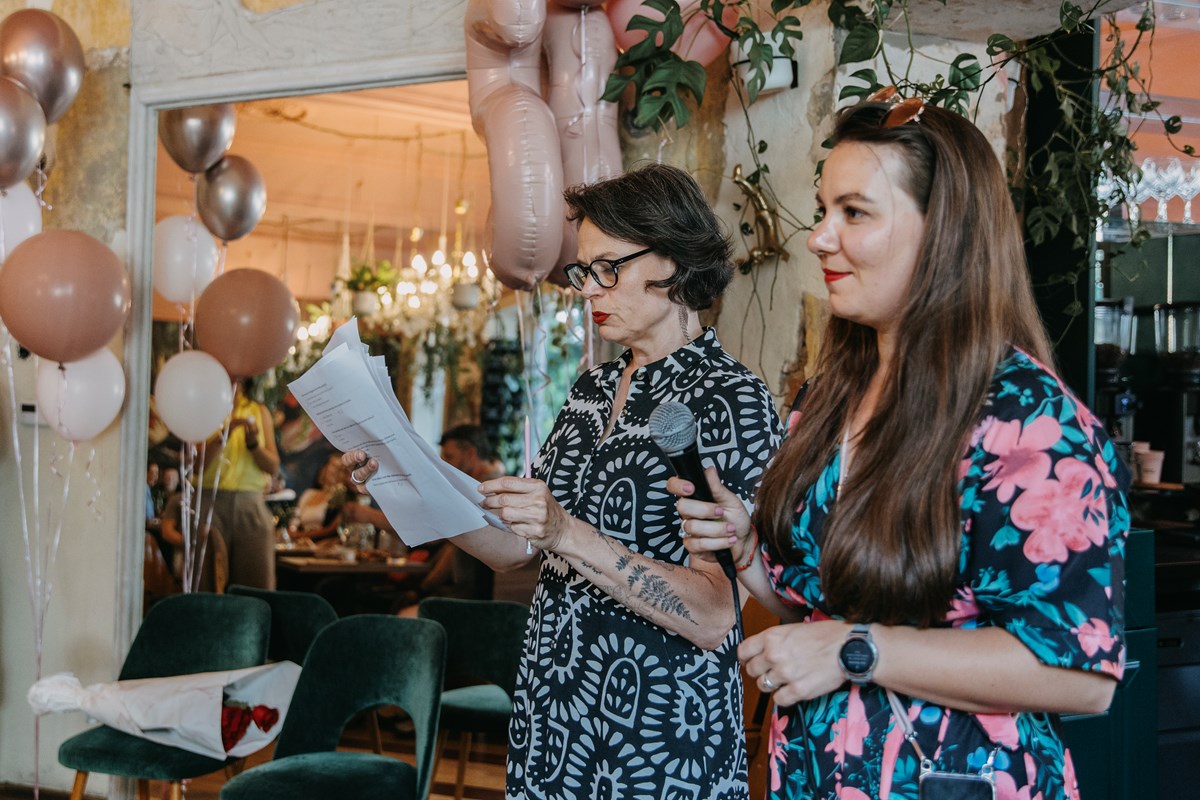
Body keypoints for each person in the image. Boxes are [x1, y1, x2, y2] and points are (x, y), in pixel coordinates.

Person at [670, 97, 1129, 799]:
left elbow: (1078, 675)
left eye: (854, 213)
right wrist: (749, 552)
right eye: (824, 210)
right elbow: (820, 614)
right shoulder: (827, 399)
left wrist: (857, 650)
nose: (820, 238)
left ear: (943, 232)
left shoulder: (1027, 421)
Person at [345, 163, 783, 799]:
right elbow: (515, 545)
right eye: (583, 272)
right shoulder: (591, 390)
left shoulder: (730, 399)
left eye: (608, 268)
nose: (588, 290)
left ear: (674, 260)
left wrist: (565, 532)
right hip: (554, 716)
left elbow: (715, 615)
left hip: (658, 738)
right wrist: (402, 478)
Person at [198, 378, 280, 589]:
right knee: (207, 583)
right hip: (209, 502)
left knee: (256, 584)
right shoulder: (203, 407)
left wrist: (253, 445)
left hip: (250, 504)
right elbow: (196, 465)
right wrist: (224, 434)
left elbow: (273, 466)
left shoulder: (258, 411)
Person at [291, 453, 352, 542]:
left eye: (342, 468)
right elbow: (295, 520)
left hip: (325, 544)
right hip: (301, 542)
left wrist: (299, 535)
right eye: (334, 466)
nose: (337, 470)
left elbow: (334, 529)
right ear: (325, 468)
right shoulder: (309, 493)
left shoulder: (345, 497)